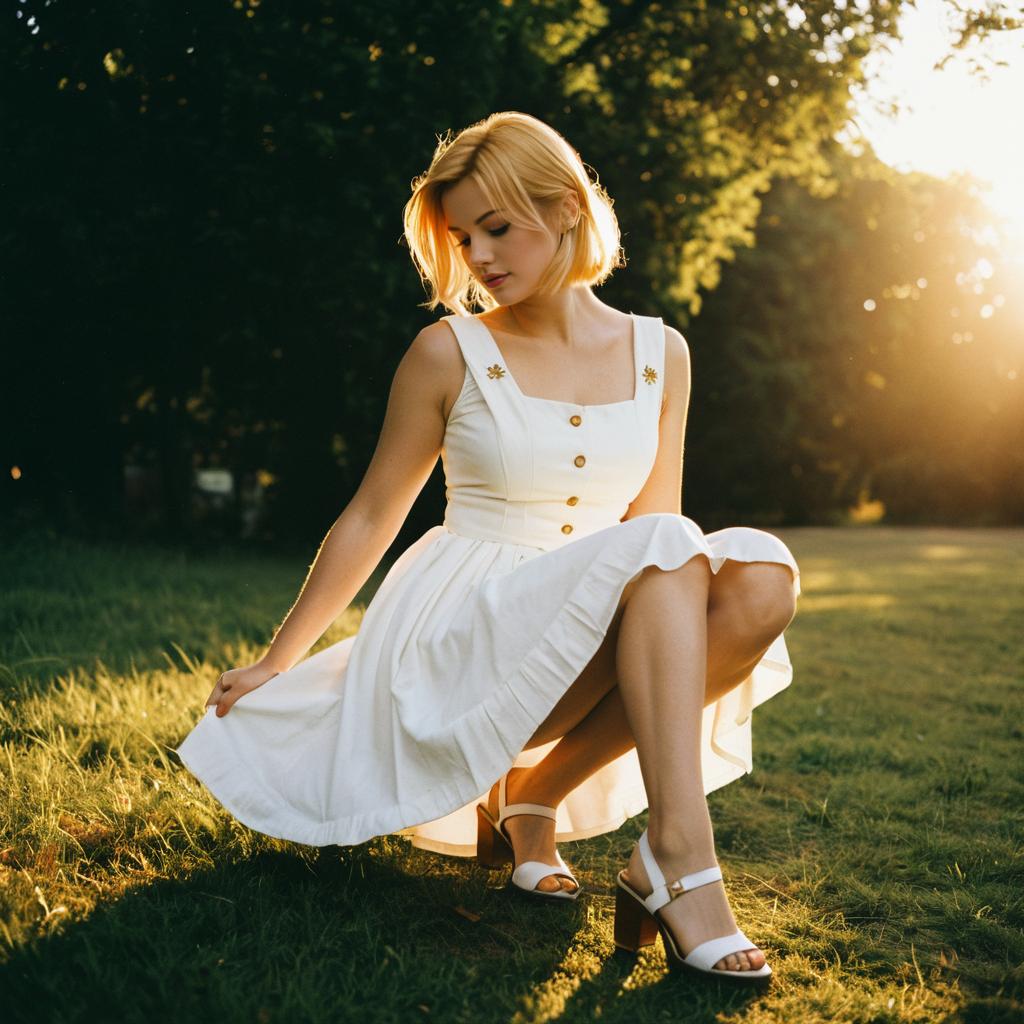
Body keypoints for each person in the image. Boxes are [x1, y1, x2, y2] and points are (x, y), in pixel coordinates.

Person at [177, 111, 801, 983]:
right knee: (666, 548)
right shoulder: (447, 353)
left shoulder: (664, 354)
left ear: (569, 210)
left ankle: (534, 794)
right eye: (463, 237)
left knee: (762, 578)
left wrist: (673, 578)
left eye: (497, 228)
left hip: (595, 623)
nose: (478, 256)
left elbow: (662, 528)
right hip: (460, 639)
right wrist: (281, 660)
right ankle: (682, 861)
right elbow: (370, 516)